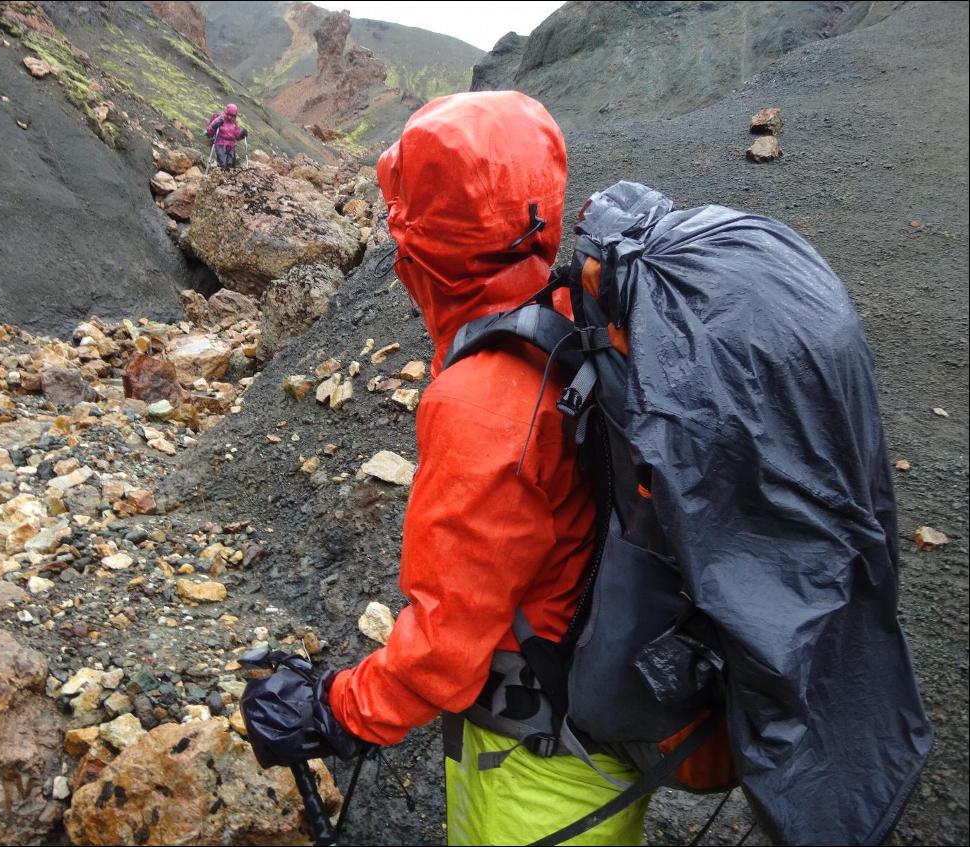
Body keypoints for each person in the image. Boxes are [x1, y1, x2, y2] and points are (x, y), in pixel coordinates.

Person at [242, 90, 650, 846]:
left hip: (538, 776)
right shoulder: (570, 316)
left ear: (423, 243)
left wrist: (336, 709)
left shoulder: (486, 399)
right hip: (596, 732)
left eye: (402, 222)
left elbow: (448, 636)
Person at [206, 103, 247, 169]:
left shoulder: (235, 124)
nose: (230, 117)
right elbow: (208, 132)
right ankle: (219, 176)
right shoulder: (219, 120)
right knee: (222, 164)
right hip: (220, 144)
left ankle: (228, 177)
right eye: (228, 114)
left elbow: (237, 137)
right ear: (226, 112)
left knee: (231, 165)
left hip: (231, 146)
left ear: (235, 116)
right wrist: (214, 126)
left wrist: (242, 135)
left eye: (232, 116)